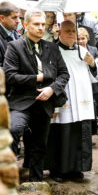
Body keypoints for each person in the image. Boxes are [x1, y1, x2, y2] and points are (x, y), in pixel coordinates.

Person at [3, 9, 69, 181]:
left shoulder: (52, 48)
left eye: (43, 24)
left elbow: (64, 74)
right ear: (26, 25)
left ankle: (36, 181)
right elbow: (9, 76)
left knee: (40, 144)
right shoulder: (14, 46)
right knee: (13, 131)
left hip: (45, 102)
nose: (41, 28)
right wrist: (37, 78)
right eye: (36, 24)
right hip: (21, 101)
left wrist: (52, 89)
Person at [45, 20, 98, 181]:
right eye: (67, 31)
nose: (70, 34)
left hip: (82, 100)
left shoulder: (83, 51)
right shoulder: (52, 51)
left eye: (73, 31)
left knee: (79, 134)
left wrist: (92, 64)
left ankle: (77, 169)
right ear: (59, 33)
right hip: (63, 100)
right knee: (61, 134)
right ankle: (58, 170)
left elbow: (95, 77)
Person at [78, 27, 98, 134]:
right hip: (79, 84)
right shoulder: (74, 50)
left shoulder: (94, 50)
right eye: (78, 39)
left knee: (92, 105)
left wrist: (92, 63)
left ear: (87, 38)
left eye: (83, 38)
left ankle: (91, 132)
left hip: (92, 84)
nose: (81, 41)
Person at [0, 1, 21, 67]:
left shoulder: (18, 35)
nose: (18, 21)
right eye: (14, 17)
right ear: (2, 18)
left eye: (18, 17)